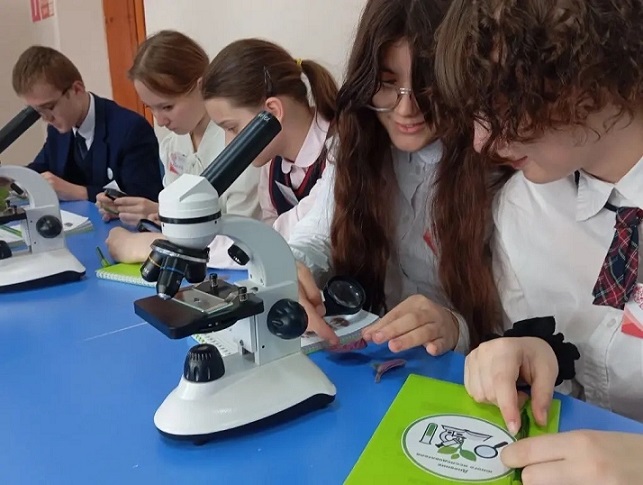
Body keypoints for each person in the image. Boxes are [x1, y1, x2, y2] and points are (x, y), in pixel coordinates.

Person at [435, 0, 643, 483]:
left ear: (598, 75)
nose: (481, 142)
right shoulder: (524, 210)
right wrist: (531, 353)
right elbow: (563, 357)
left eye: (503, 103)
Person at [288, 0, 506, 348]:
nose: (406, 109)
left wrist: (455, 328)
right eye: (387, 83)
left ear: (460, 77)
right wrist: (294, 267)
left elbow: (516, 321)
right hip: (380, 352)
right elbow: (320, 233)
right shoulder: (356, 144)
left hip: (466, 362)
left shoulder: (495, 164)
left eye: (427, 85)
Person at [102, 30, 261, 269]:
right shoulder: (173, 144)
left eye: (167, 107)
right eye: (150, 108)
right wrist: (156, 213)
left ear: (201, 87)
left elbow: (241, 241)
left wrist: (144, 244)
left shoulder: (240, 144)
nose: (159, 121)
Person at [200, 37, 338, 242]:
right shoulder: (272, 164)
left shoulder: (340, 154)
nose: (229, 144)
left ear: (272, 112)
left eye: (232, 128)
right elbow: (270, 229)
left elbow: (274, 237)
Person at [12, 45, 162, 202]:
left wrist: (78, 192)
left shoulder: (130, 129)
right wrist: (11, 179)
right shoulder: (58, 129)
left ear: (77, 89)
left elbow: (144, 201)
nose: (46, 118)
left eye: (49, 107)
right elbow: (40, 168)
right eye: (38, 111)